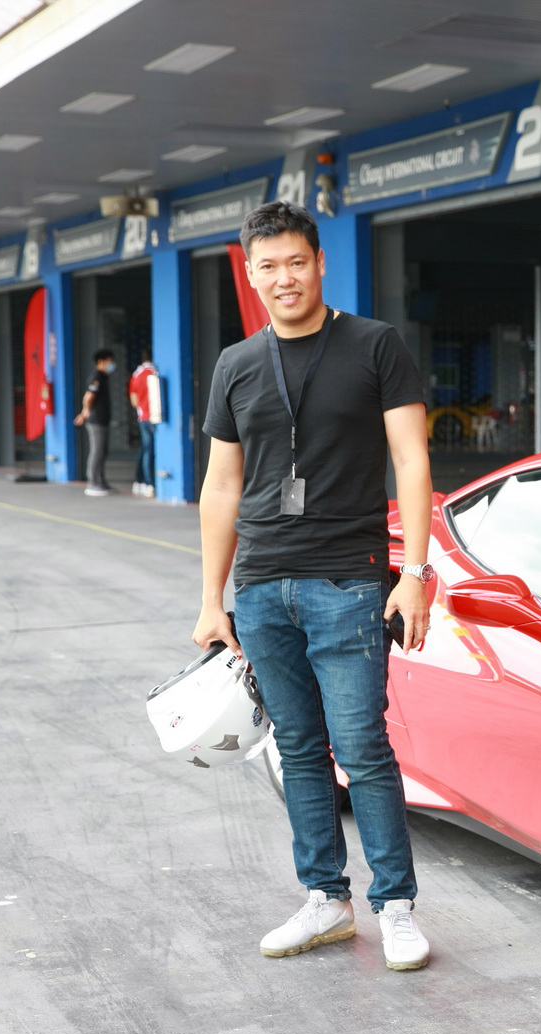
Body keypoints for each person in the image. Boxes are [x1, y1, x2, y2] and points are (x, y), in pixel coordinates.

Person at [193, 201, 435, 971]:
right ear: (251, 273)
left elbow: (412, 460)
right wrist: (211, 599)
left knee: (362, 746)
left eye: (296, 261)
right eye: (267, 265)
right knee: (297, 749)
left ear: (319, 262)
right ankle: (325, 901)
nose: (283, 277)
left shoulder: (375, 346)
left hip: (351, 580)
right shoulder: (236, 364)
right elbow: (221, 487)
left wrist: (419, 574)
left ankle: (395, 906)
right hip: (263, 587)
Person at [74, 349, 115, 496]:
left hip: (102, 420)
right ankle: (92, 483)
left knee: (103, 451)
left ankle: (101, 481)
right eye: (110, 361)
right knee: (97, 451)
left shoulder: (103, 377)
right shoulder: (97, 377)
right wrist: (85, 413)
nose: (112, 364)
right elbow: (89, 396)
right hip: (96, 421)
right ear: (101, 362)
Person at [128, 357, 158, 498]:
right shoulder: (155, 371)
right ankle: (150, 482)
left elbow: (134, 401)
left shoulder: (136, 374)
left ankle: (140, 481)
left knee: (145, 449)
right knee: (151, 451)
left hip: (143, 418)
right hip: (155, 417)